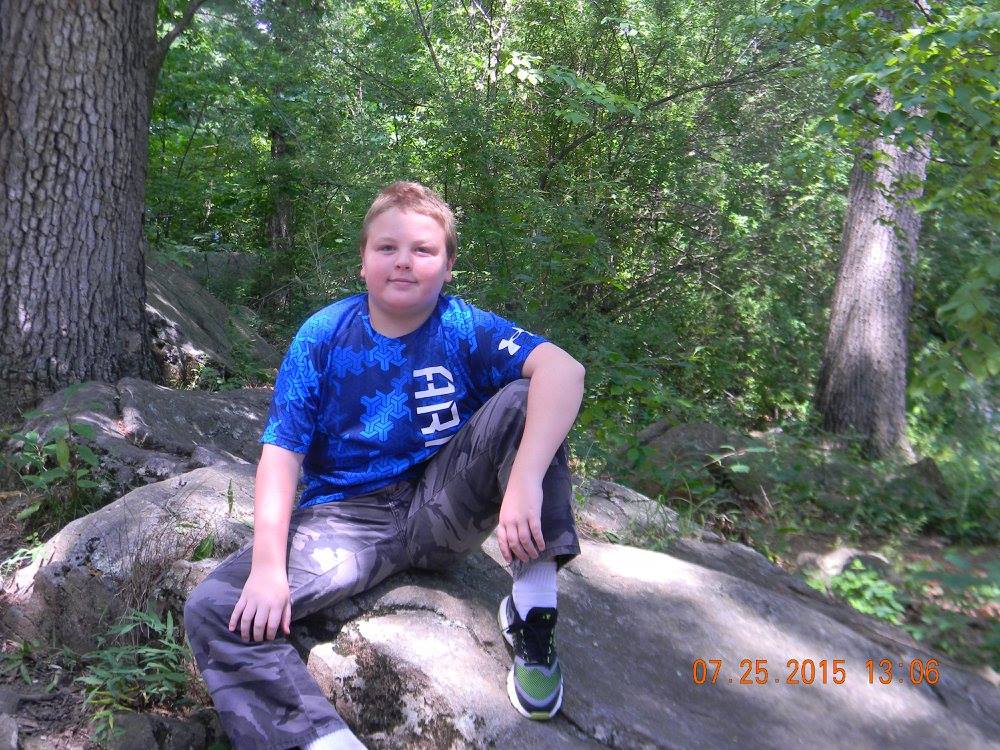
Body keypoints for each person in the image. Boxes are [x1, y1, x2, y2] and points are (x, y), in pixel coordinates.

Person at [183, 181, 584, 750]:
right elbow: (282, 451)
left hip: (444, 505)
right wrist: (268, 567)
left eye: (423, 250)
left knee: (528, 398)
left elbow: (565, 371)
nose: (404, 261)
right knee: (216, 610)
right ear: (364, 261)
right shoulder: (323, 336)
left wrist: (521, 480)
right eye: (387, 248)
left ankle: (533, 610)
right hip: (347, 519)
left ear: (447, 267)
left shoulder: (462, 326)